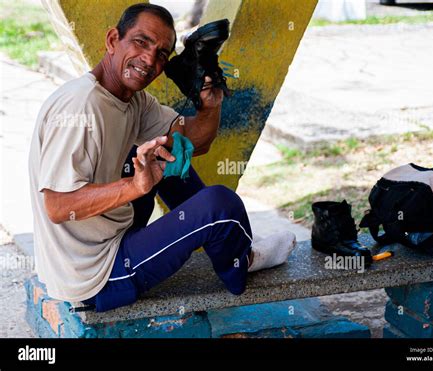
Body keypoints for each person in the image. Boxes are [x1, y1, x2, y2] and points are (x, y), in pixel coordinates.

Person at [28, 3, 296, 312]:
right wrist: (134, 187)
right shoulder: (80, 108)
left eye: (161, 54)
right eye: (141, 42)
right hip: (94, 276)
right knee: (220, 206)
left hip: (109, 236)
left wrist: (210, 105)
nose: (149, 60)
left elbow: (193, 140)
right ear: (113, 40)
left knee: (165, 152)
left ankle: (229, 240)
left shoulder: (131, 99)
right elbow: (59, 206)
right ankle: (243, 258)